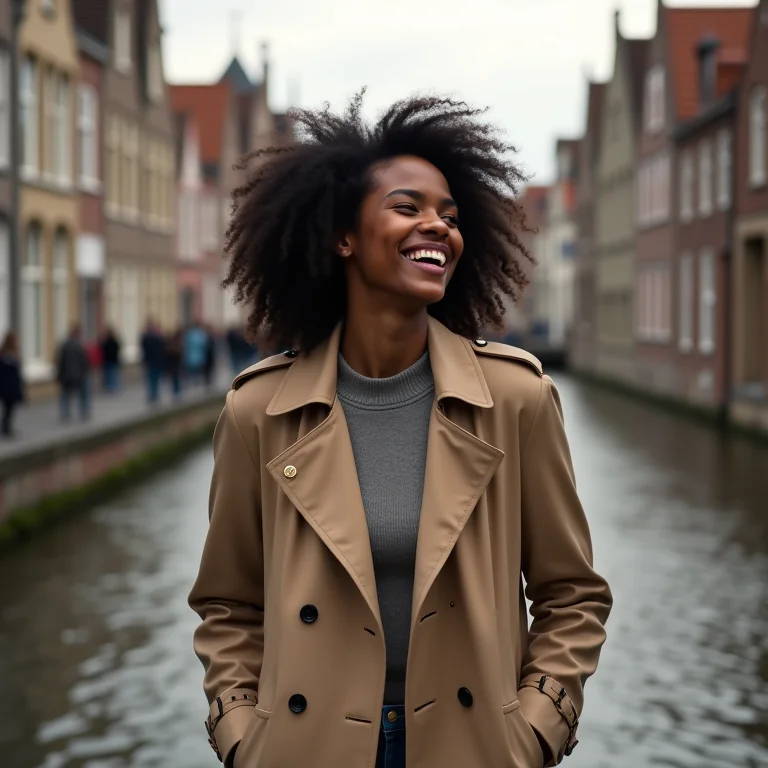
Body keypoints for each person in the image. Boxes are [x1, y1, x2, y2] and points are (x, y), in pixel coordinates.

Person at [189, 95, 612, 768]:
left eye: (449, 215)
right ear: (343, 235)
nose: (437, 227)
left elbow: (572, 594)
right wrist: (243, 736)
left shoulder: (515, 399)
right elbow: (229, 605)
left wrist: (535, 731)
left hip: (472, 749)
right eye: (409, 207)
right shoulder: (259, 413)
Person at [57, 325, 91, 422]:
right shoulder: (80, 346)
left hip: (67, 375)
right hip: (79, 375)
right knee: (83, 394)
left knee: (65, 395)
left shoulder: (65, 346)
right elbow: (84, 361)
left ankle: (65, 414)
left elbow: (60, 361)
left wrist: (60, 375)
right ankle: (84, 412)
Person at [0, 331, 24, 437]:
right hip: (7, 386)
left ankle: (7, 428)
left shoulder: (12, 354)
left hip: (10, 386)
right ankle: (6, 429)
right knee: (8, 409)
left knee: (9, 409)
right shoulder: (6, 355)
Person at [140, 320, 166, 405]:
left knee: (154, 379)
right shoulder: (152, 338)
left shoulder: (152, 338)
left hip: (155, 361)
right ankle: (153, 394)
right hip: (152, 362)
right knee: (152, 379)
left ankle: (153, 394)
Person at [100, 327, 122, 393]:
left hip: (109, 360)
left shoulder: (107, 342)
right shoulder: (113, 341)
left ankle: (111, 387)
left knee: (110, 374)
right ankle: (112, 387)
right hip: (112, 360)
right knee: (112, 374)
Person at [166, 328, 183, 400]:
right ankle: (177, 392)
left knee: (175, 379)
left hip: (175, 366)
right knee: (176, 379)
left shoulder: (175, 344)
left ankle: (177, 392)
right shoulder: (176, 345)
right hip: (175, 365)